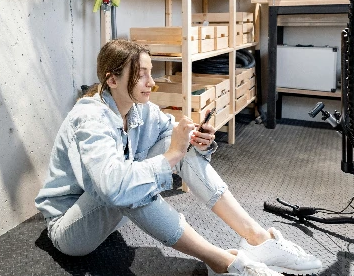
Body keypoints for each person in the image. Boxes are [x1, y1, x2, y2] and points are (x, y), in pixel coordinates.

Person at [35, 39, 322, 276]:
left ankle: (257, 239)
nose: (152, 82)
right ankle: (224, 263)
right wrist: (172, 154)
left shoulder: (139, 109)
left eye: (151, 71)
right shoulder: (90, 117)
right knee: (131, 184)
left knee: (173, 147)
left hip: (110, 212)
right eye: (142, 74)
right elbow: (114, 188)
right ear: (112, 79)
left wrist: (198, 140)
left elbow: (173, 138)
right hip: (70, 229)